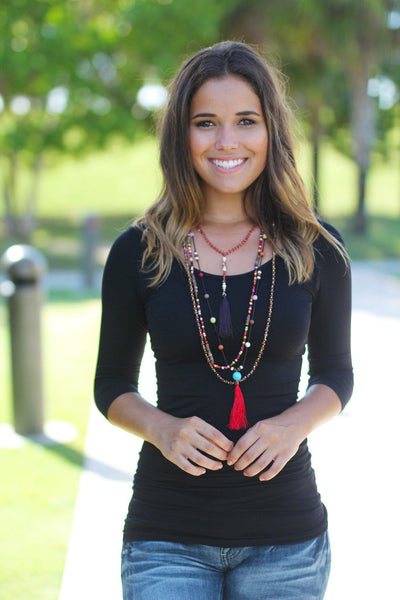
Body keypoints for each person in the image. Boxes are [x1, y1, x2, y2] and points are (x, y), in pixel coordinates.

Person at [94, 41, 353, 600]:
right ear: (180, 136)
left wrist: (295, 424)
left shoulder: (316, 247)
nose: (227, 141)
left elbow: (337, 375)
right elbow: (111, 384)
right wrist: (162, 428)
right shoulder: (138, 251)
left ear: (271, 132)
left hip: (286, 540)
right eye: (206, 123)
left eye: (246, 121)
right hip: (166, 538)